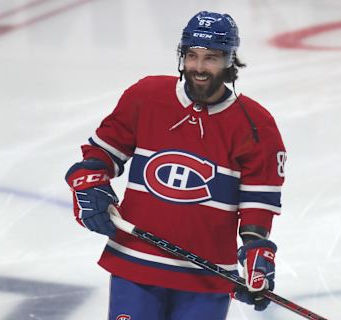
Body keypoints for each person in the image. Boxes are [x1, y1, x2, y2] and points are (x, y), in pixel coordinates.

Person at [65, 11, 286, 320]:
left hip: (208, 277)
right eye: (192, 55)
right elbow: (102, 154)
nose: (198, 67)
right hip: (135, 262)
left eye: (211, 58)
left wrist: (255, 251)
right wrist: (89, 181)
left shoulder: (256, 125)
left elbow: (257, 205)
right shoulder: (146, 97)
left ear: (230, 60)